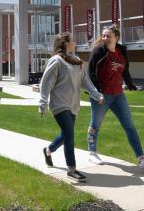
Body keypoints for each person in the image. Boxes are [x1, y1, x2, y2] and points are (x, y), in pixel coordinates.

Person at [87, 25, 144, 169]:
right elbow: (91, 73)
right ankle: (92, 153)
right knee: (95, 124)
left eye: (108, 36)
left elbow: (125, 70)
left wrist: (129, 83)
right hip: (102, 95)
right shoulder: (98, 51)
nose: (105, 38)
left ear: (116, 37)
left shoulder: (121, 51)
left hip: (118, 95)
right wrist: (96, 92)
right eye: (104, 36)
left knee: (129, 125)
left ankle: (141, 159)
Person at [39, 32, 104, 182]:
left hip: (73, 105)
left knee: (65, 135)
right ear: (66, 43)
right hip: (59, 104)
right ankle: (72, 169)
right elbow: (46, 83)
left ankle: (48, 150)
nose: (75, 42)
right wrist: (42, 104)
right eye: (72, 40)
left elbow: (86, 82)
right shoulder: (57, 61)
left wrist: (97, 95)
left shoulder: (77, 61)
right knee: (70, 135)